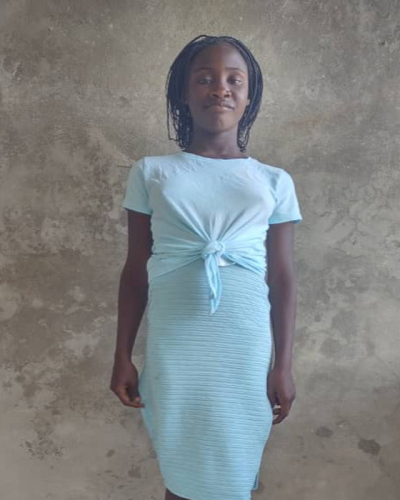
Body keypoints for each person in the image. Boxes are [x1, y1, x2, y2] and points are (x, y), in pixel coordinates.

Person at [110, 34, 303, 500]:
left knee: (232, 471)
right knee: (182, 470)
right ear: (183, 93)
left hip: (244, 345)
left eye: (234, 80)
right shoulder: (151, 172)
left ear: (249, 97)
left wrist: (283, 364)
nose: (220, 89)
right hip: (177, 343)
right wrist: (122, 355)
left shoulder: (274, 181)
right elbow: (135, 271)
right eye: (205, 79)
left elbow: (282, 279)